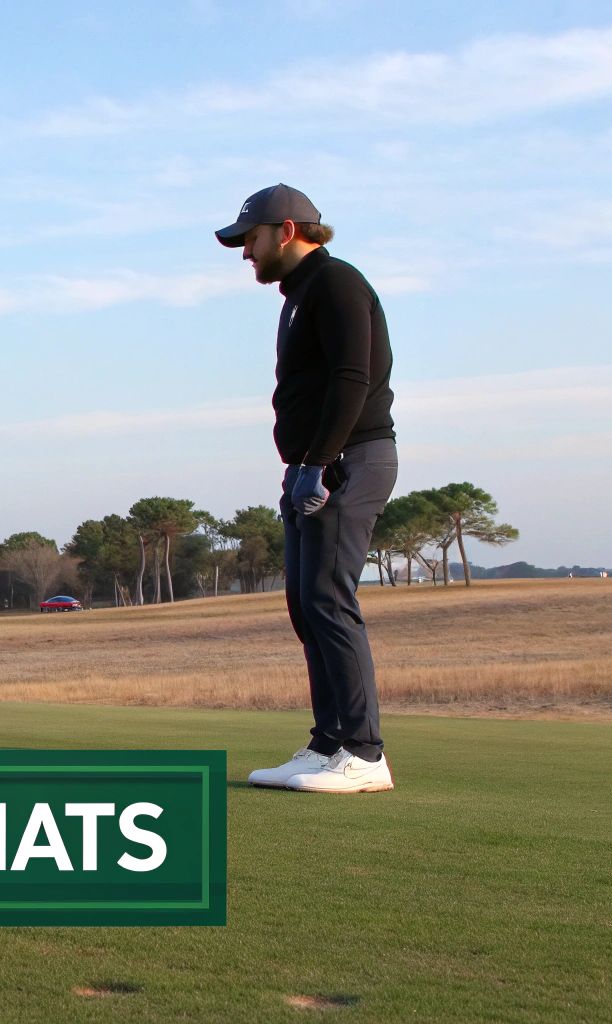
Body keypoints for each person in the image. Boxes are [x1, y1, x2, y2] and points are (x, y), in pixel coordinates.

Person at [215, 185, 399, 794]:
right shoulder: (298, 296)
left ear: (286, 231)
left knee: (328, 599)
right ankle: (328, 744)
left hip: (349, 461)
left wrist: (320, 463)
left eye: (251, 239)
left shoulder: (337, 282)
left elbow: (354, 376)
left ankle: (365, 754)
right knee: (303, 603)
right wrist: (302, 466)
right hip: (312, 466)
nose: (246, 253)